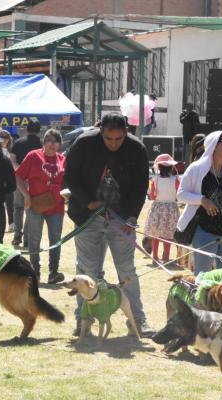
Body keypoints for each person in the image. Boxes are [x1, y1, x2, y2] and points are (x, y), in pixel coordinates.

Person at [64, 112, 154, 337]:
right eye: (108, 139)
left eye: (119, 139)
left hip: (121, 220)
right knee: (86, 271)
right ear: (100, 132)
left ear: (126, 132)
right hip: (87, 217)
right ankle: (83, 320)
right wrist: (88, 202)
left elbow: (140, 186)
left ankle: (137, 320)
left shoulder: (137, 149)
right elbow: (70, 177)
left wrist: (132, 217)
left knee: (127, 270)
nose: (113, 144)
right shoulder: (84, 143)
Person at [176, 131, 222, 274]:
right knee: (203, 275)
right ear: (214, 146)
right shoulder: (196, 169)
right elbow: (181, 194)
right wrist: (202, 200)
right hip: (204, 232)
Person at [15, 129, 66, 284]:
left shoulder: (63, 159)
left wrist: (68, 196)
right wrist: (26, 196)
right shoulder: (33, 156)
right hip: (35, 205)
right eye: (49, 140)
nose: (52, 144)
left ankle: (53, 273)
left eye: (56, 141)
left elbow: (68, 182)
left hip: (56, 206)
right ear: (43, 143)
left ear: (59, 144)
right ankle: (34, 273)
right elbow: (18, 175)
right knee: (34, 239)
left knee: (55, 239)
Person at [10, 121, 42, 247]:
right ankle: (28, 238)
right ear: (39, 131)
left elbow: (11, 159)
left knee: (18, 207)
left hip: (19, 179)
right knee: (31, 209)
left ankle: (17, 235)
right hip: (35, 180)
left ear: (27, 129)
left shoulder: (18, 142)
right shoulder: (41, 145)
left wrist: (20, 172)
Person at [144, 154, 180, 263]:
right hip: (171, 208)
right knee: (168, 234)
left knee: (156, 234)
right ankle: (166, 257)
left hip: (157, 208)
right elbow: (178, 195)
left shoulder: (155, 180)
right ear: (171, 167)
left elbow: (152, 196)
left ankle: (155, 257)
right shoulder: (176, 180)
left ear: (158, 167)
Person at [0, 130, 15, 232]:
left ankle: (11, 224)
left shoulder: (12, 151)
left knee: (10, 203)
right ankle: (1, 224)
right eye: (2, 137)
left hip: (9, 179)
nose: (4, 139)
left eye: (6, 137)